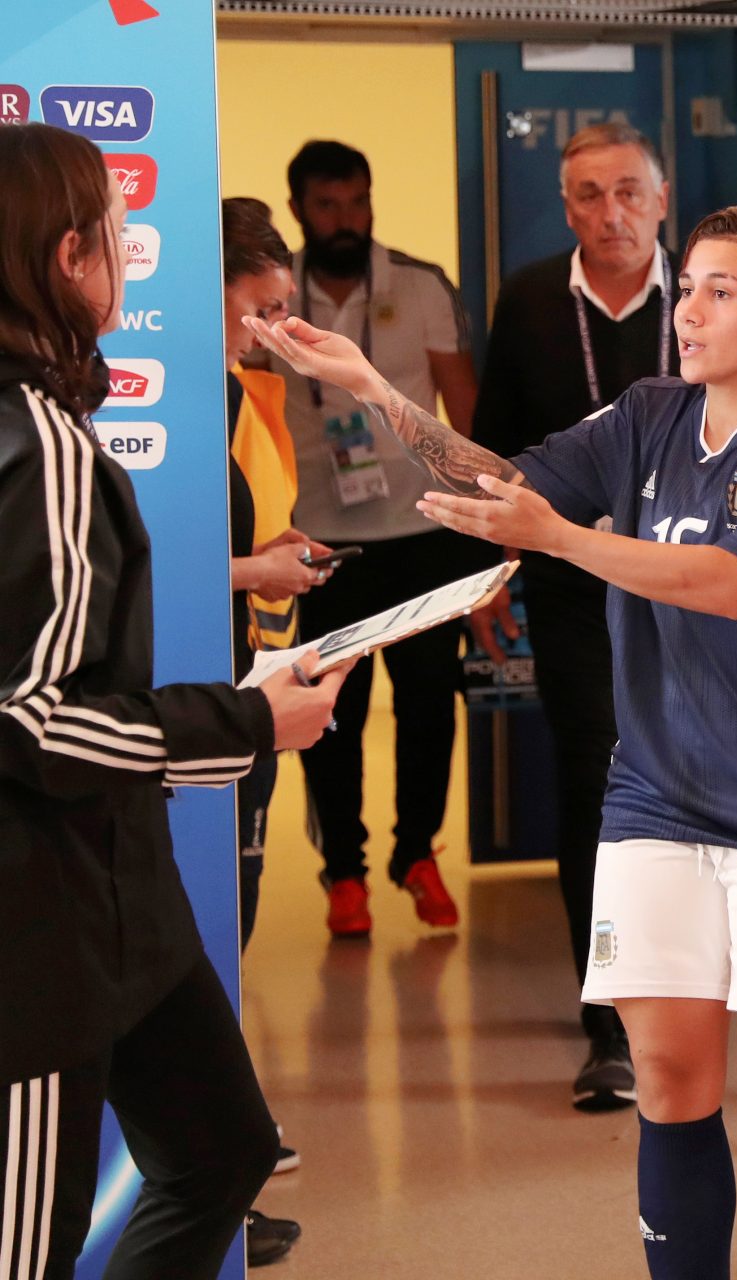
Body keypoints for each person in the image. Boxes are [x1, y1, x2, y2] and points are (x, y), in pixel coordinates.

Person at [246, 204, 737, 1280]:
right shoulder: (645, 413)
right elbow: (504, 483)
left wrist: (565, 539)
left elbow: (731, 586)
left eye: (720, 290)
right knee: (671, 1080)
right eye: (690, 288)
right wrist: (373, 387)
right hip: (654, 797)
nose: (688, 307)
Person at [0, 123, 345, 1280]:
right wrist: (252, 722)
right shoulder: (35, 441)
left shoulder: (52, 415)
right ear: (65, 258)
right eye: (114, 225)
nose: (132, 245)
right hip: (41, 922)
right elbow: (30, 717)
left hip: (118, 896)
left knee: (217, 1150)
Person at [470, 121, 677, 1113]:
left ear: (662, 198)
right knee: (595, 786)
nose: (612, 213)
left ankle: (699, 990)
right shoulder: (529, 301)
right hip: (573, 589)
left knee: (709, 779)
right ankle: (608, 1021)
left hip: (702, 587)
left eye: (629, 191)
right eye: (590, 194)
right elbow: (497, 453)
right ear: (567, 208)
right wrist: (489, 577)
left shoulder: (714, 293)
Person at [266, 139, 479, 937]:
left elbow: (466, 409)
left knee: (429, 706)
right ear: (299, 211)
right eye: (328, 206)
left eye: (357, 202)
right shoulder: (273, 298)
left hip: (424, 533)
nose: (347, 220)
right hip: (321, 539)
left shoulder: (420, 286)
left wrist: (487, 534)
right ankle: (344, 871)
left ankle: (416, 854)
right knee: (332, 713)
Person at [222, 194, 321, 1267]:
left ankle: (224, 1135)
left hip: (259, 673)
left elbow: (251, 525)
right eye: (266, 306)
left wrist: (277, 552)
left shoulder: (251, 392)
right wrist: (256, 566)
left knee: (233, 917)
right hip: (208, 699)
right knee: (210, 920)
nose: (282, 328)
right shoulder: (169, 402)